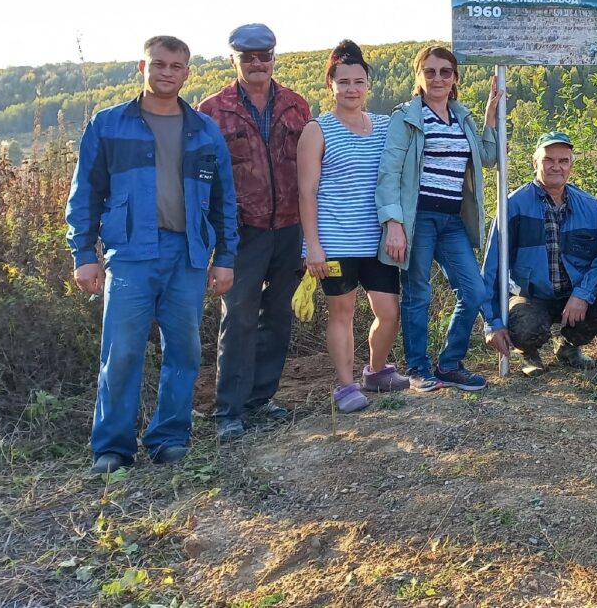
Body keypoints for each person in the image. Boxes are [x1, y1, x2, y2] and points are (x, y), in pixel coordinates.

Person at [67, 35, 238, 473]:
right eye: (158, 64)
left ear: (187, 73)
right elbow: (84, 194)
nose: (167, 72)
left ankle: (169, 437)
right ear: (141, 68)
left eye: (176, 66)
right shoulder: (109, 125)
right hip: (130, 254)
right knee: (121, 351)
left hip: (188, 253)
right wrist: (83, 253)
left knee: (184, 350)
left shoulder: (204, 130)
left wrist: (225, 256)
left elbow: (225, 200)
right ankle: (112, 447)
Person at [198, 23, 311, 441]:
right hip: (241, 232)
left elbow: (311, 173)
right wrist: (212, 238)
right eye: (249, 57)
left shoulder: (297, 106)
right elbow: (201, 181)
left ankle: (261, 399)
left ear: (274, 58)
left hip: (289, 228)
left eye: (265, 55)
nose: (258, 63)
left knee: (277, 317)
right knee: (239, 319)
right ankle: (229, 409)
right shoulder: (212, 111)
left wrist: (308, 235)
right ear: (234, 59)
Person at [376, 45, 500, 392]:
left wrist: (490, 116)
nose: (437, 78)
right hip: (418, 219)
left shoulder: (462, 117)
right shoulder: (408, 117)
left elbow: (487, 157)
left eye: (445, 72)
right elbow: (389, 172)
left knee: (474, 291)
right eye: (429, 71)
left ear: (455, 78)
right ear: (419, 77)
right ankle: (418, 368)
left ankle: (449, 364)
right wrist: (393, 223)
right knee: (418, 294)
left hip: (451, 221)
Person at [298, 41, 407, 414]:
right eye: (343, 81)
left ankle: (375, 372)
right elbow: (307, 191)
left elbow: (395, 177)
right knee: (341, 313)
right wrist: (312, 245)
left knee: (389, 312)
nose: (351, 89)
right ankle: (345, 386)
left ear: (367, 85)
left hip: (377, 240)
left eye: (358, 81)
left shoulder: (382, 127)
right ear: (330, 84)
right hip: (334, 241)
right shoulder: (317, 130)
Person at [480, 132, 597, 376]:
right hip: (529, 297)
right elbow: (491, 269)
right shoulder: (512, 206)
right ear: (535, 163)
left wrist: (583, 294)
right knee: (526, 326)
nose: (556, 167)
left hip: (573, 296)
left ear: (571, 165)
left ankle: (569, 348)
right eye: (548, 160)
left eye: (563, 161)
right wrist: (492, 322)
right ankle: (528, 352)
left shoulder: (593, 209)